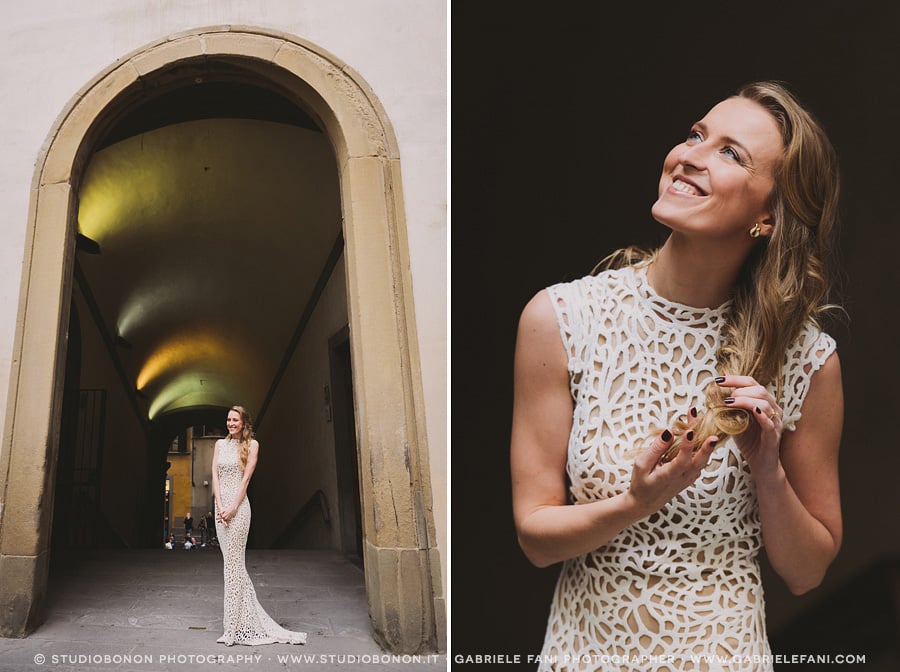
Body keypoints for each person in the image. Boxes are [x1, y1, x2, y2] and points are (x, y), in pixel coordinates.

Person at [510, 81, 843, 670]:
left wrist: (767, 469)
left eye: (730, 152)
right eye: (696, 134)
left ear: (768, 216)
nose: (690, 155)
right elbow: (535, 539)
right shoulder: (561, 318)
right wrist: (636, 502)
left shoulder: (807, 359)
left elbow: (807, 572)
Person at [212, 405, 307, 646]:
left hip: (239, 509)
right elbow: (215, 476)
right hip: (221, 510)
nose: (231, 423)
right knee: (231, 566)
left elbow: (245, 480)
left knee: (233, 567)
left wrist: (232, 508)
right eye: (228, 419)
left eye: (235, 420)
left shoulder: (252, 445)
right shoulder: (219, 445)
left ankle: (231, 629)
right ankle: (242, 622)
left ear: (244, 422)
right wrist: (220, 506)